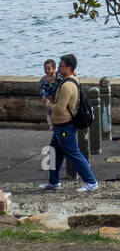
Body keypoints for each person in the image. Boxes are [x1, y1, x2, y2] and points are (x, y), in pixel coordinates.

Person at [40, 54, 98, 192]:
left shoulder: (66, 86)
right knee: (54, 152)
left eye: (61, 66)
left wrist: (48, 104)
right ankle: (53, 182)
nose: (58, 68)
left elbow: (60, 108)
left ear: (69, 67)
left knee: (73, 153)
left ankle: (91, 181)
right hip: (60, 126)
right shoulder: (72, 79)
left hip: (64, 125)